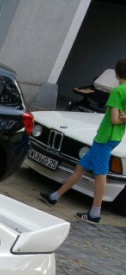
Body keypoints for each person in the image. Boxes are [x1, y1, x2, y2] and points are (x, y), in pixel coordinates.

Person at [40, 58, 126, 224]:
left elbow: (114, 119)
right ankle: (54, 196)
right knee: (80, 167)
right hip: (114, 137)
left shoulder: (117, 92)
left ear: (116, 73)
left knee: (100, 175)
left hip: (105, 137)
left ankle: (95, 213)